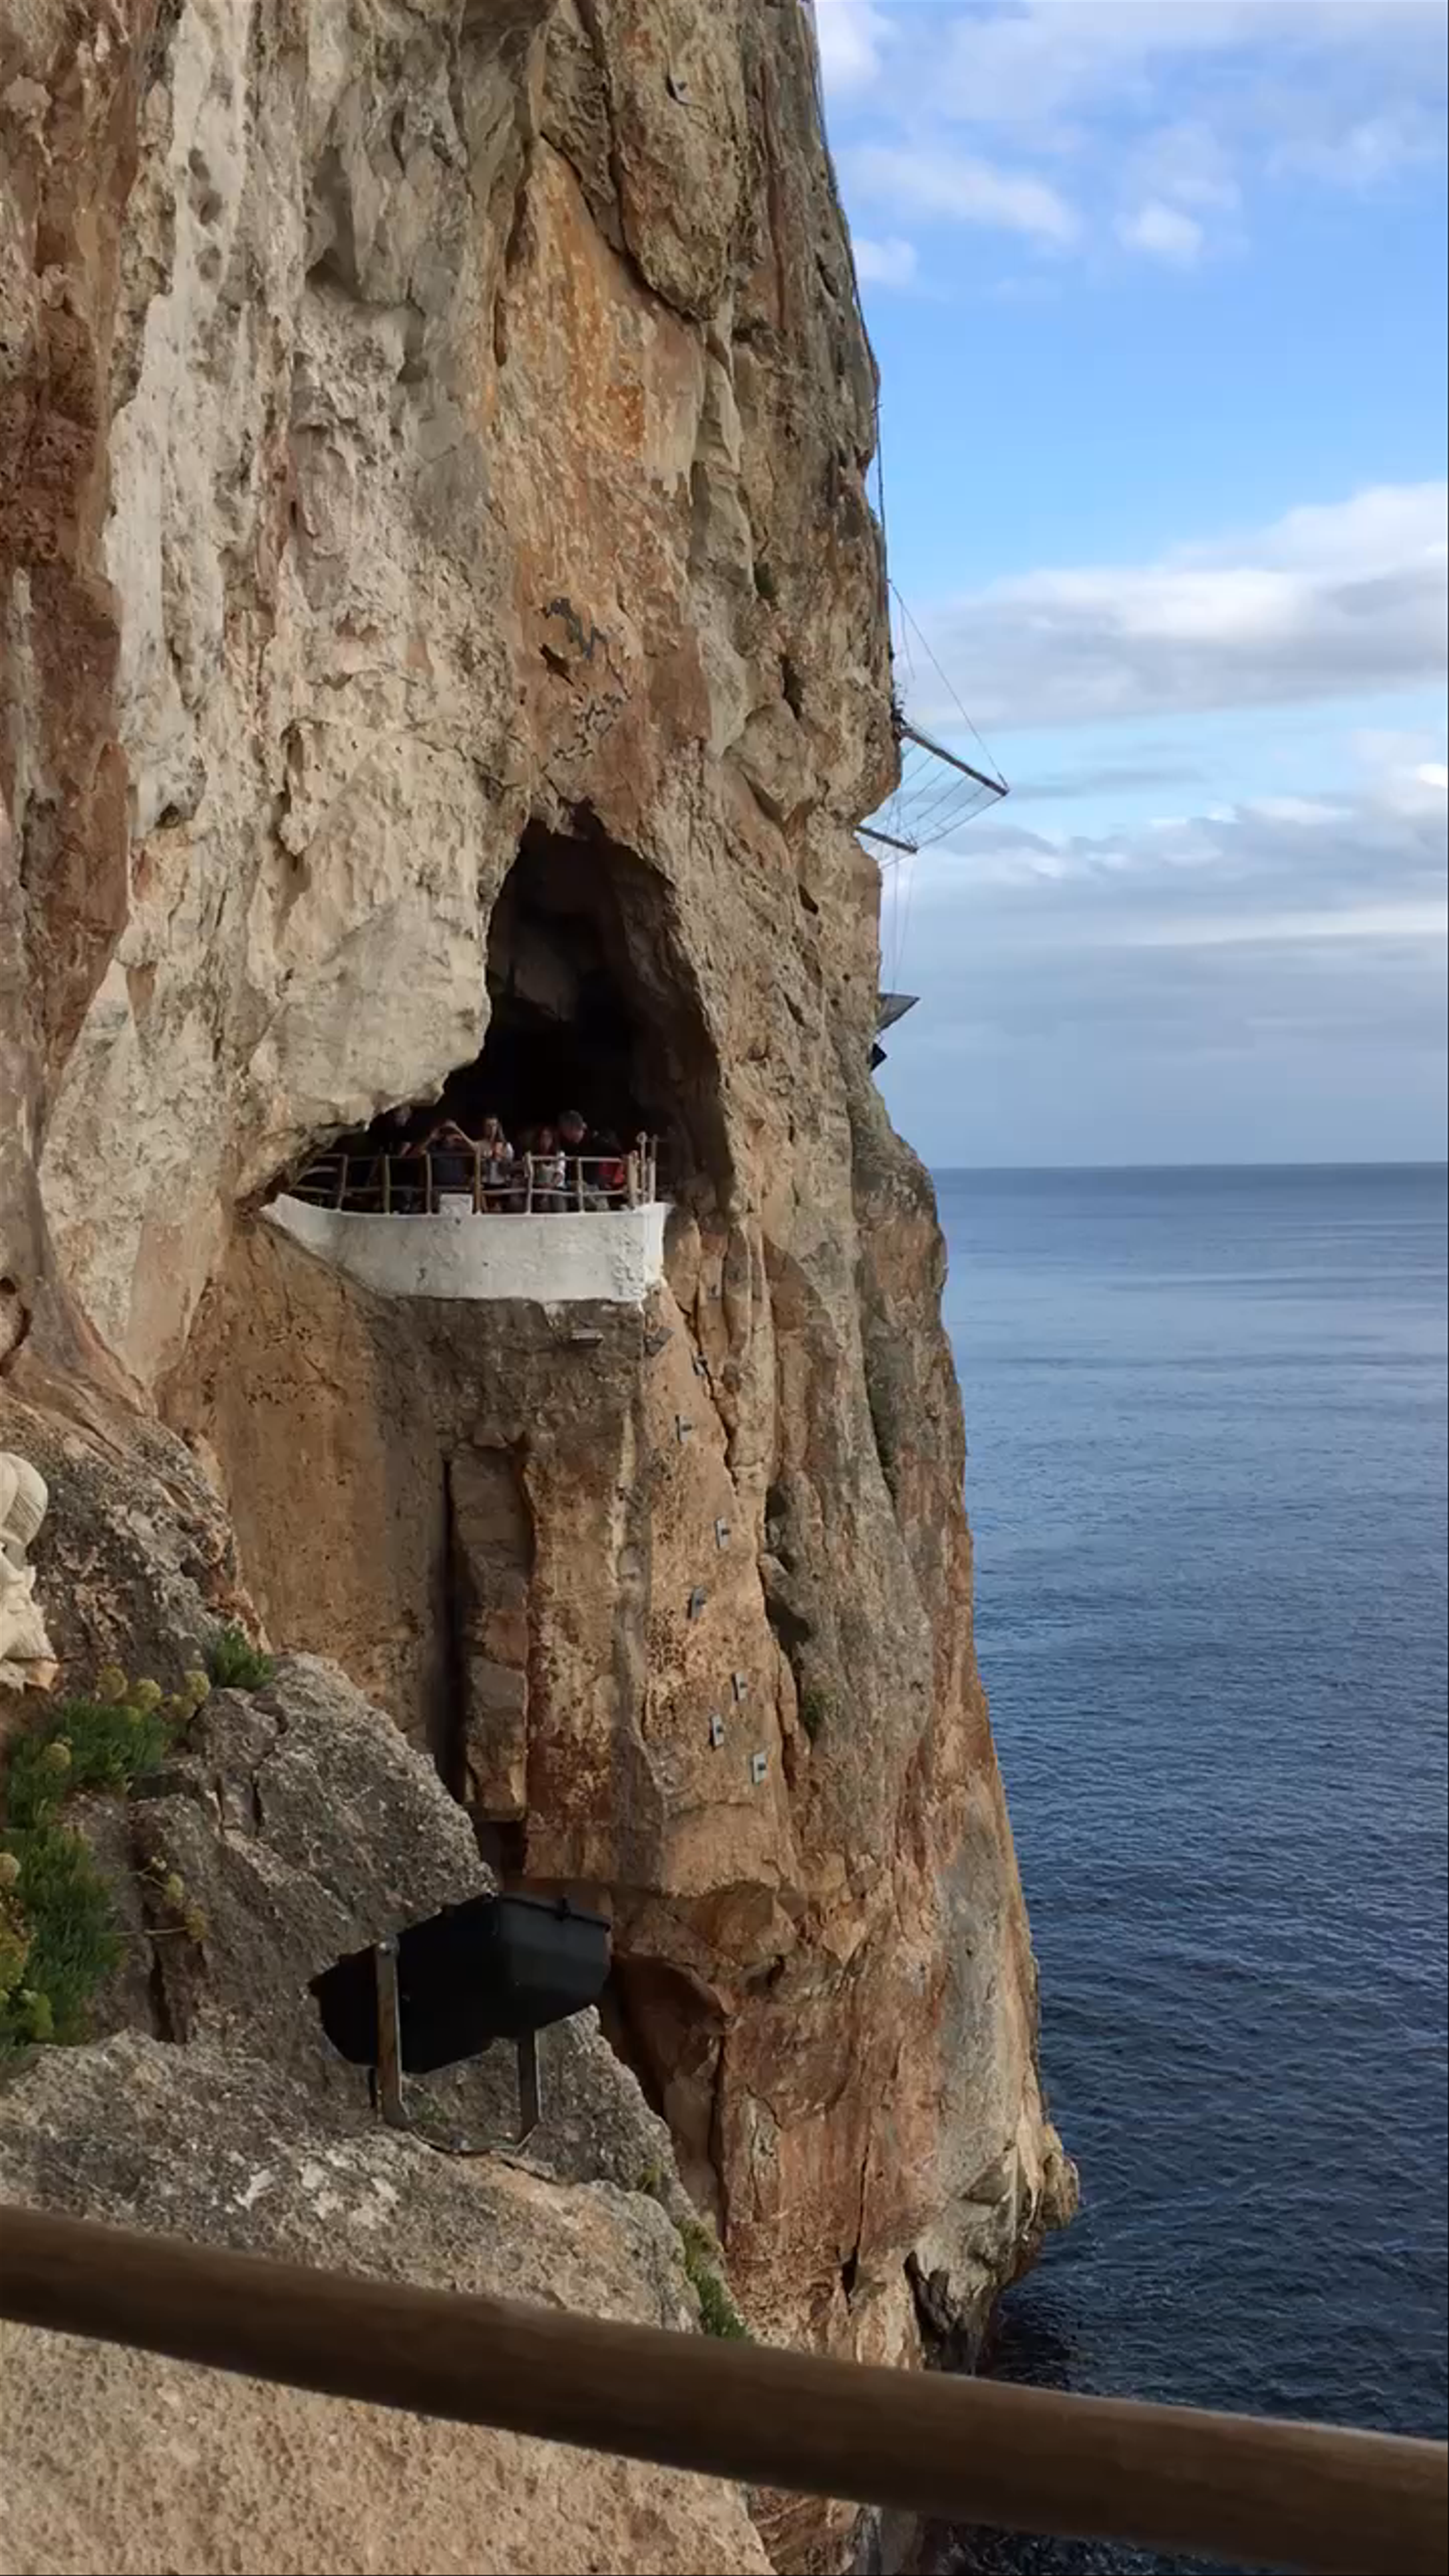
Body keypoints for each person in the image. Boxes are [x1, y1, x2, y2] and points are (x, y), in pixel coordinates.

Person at [477, 1115, 515, 1212]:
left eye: (494, 1125)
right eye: (488, 1126)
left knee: (498, 1210)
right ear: (484, 1128)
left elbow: (508, 1171)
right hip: (486, 1185)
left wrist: (501, 1158)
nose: (491, 1129)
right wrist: (485, 1160)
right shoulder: (480, 1145)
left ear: (498, 1127)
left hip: (502, 1185)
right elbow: (481, 1170)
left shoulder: (507, 1146)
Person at [530, 1124, 568, 1213]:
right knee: (542, 1206)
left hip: (556, 1188)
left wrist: (549, 1188)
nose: (545, 1140)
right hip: (538, 1188)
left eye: (548, 1137)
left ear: (553, 1139)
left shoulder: (560, 1154)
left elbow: (560, 1174)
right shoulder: (532, 1155)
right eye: (543, 1137)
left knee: (559, 1207)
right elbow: (529, 1174)